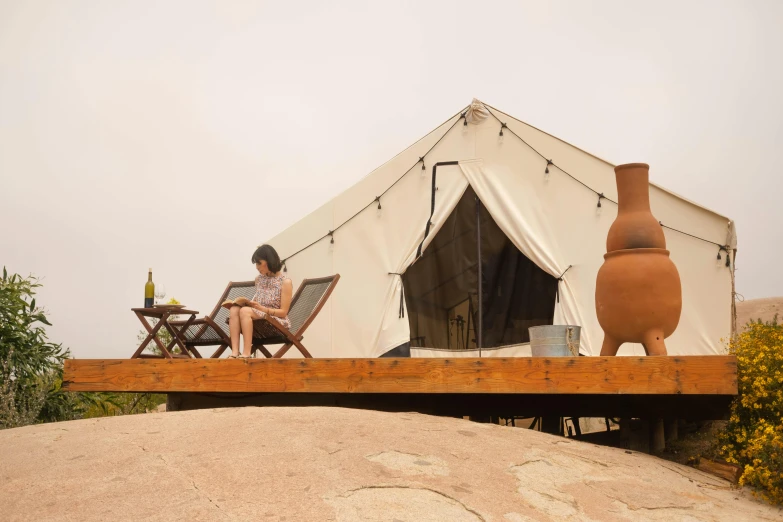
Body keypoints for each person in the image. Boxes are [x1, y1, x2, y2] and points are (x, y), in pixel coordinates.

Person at [228, 244, 293, 358]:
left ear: (269, 260)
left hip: (275, 322)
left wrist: (262, 309)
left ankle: (247, 353)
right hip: (259, 316)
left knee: (244, 311)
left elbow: (283, 312)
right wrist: (249, 303)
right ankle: (234, 352)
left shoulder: (285, 282)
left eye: (259, 263)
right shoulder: (259, 279)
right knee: (234, 309)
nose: (257, 267)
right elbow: (258, 301)